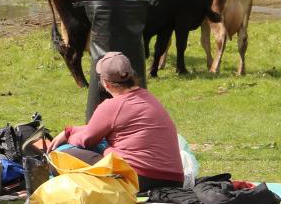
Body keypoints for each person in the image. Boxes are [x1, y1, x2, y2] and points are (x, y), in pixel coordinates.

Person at [48, 52, 184, 192]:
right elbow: (97, 128)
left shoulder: (112, 106)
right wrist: (71, 130)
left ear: (105, 83)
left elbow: (86, 139)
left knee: (59, 158)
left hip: (140, 178)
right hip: (174, 180)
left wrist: (69, 135)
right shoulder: (148, 97)